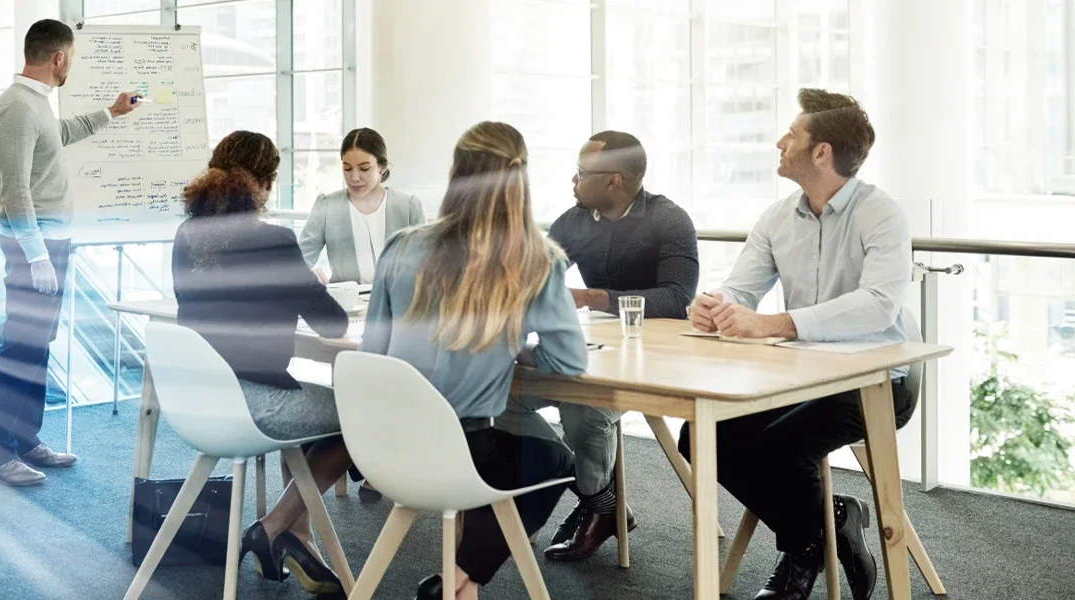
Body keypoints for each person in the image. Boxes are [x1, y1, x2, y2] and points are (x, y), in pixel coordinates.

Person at [682, 88, 911, 600]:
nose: (779, 142)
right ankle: (831, 521)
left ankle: (803, 554)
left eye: (792, 135)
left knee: (778, 451)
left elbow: (879, 306)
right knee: (701, 436)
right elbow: (742, 290)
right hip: (800, 376)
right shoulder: (777, 216)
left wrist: (778, 323)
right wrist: (714, 306)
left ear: (822, 152)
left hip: (877, 381)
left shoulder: (882, 215)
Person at [361, 121, 583, 600]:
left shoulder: (401, 245)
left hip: (380, 449)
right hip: (458, 454)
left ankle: (457, 581)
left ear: (456, 174)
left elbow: (370, 355)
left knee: (498, 453)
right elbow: (568, 362)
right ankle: (460, 577)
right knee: (553, 459)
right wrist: (507, 346)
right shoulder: (536, 259)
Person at [172, 131, 356, 597]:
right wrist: (310, 281)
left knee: (302, 401)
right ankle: (274, 527)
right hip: (252, 403)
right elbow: (331, 324)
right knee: (361, 415)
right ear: (267, 184)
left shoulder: (187, 234)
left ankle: (297, 536)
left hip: (195, 398)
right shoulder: (273, 239)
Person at [0, 19, 141, 486]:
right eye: (73, 58)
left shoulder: (36, 106)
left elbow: (61, 134)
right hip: (35, 248)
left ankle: (24, 440)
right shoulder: (17, 110)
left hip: (49, 246)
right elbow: (15, 191)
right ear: (59, 59)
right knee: (20, 348)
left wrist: (110, 112)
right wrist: (36, 255)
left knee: (37, 347)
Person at [531, 130, 700, 562]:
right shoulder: (573, 220)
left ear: (614, 181)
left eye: (582, 172)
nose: (573, 180)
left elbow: (678, 298)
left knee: (584, 408)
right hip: (599, 348)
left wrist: (593, 298)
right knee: (504, 391)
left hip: (659, 355)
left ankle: (594, 501)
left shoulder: (669, 219)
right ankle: (600, 500)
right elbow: (534, 276)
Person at [299, 127, 427, 285]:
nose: (354, 177)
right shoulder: (327, 207)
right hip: (345, 306)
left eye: (364, 168)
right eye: (347, 168)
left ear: (382, 167)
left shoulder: (408, 207)